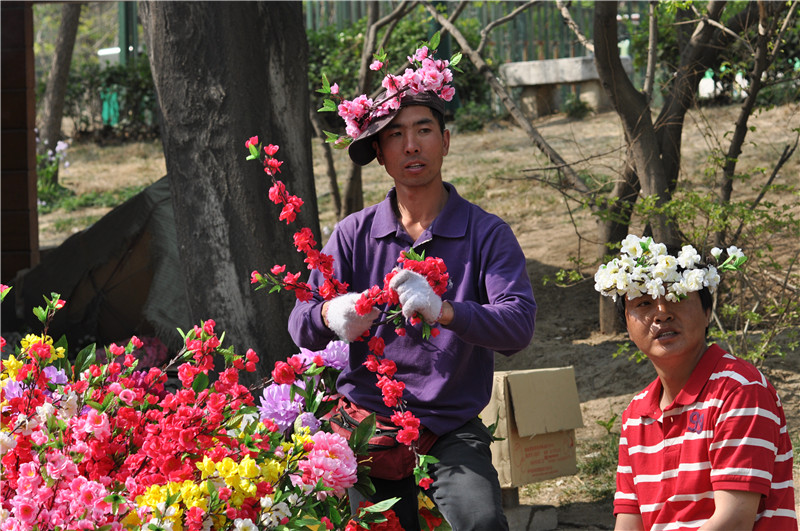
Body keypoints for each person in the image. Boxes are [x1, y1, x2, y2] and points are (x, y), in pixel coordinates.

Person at [288, 48, 536, 531]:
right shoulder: (354, 234)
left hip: (450, 429)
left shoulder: (486, 234)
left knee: (482, 522)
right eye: (395, 135)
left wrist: (446, 311)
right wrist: (329, 315)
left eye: (423, 130)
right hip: (367, 424)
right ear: (379, 154)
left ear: (445, 141)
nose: (411, 146)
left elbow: (518, 325)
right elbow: (299, 320)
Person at [594, 235, 796, 531]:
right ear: (627, 322)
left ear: (707, 312)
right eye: (645, 302)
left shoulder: (740, 390)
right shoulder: (635, 415)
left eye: (676, 297)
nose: (661, 314)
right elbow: (628, 523)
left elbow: (734, 520)